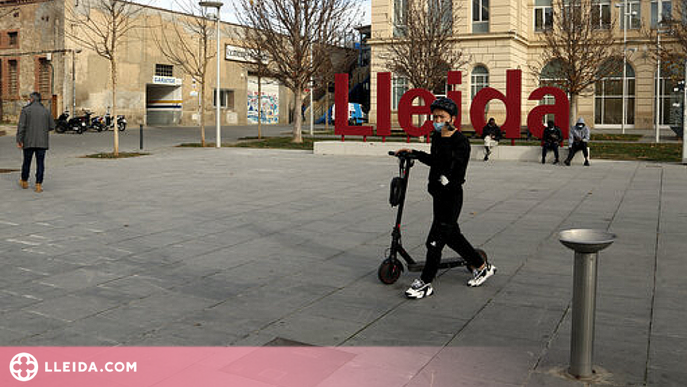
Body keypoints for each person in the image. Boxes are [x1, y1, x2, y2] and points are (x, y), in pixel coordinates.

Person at [395, 97, 496, 299]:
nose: (437, 119)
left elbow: (459, 174)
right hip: (438, 195)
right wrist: (413, 153)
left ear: (453, 118)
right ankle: (482, 265)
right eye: (435, 116)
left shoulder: (461, 142)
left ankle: (425, 282)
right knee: (452, 235)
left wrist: (447, 180)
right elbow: (435, 160)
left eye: (442, 116)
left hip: (451, 196)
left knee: (434, 241)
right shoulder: (438, 136)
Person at [16, 92, 55, 193]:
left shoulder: (26, 110)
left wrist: (19, 140)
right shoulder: (46, 111)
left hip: (28, 141)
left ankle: (24, 181)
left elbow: (21, 126)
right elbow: (52, 126)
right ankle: (38, 184)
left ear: (32, 99)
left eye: (29, 98)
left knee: (26, 162)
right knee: (40, 163)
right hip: (42, 142)